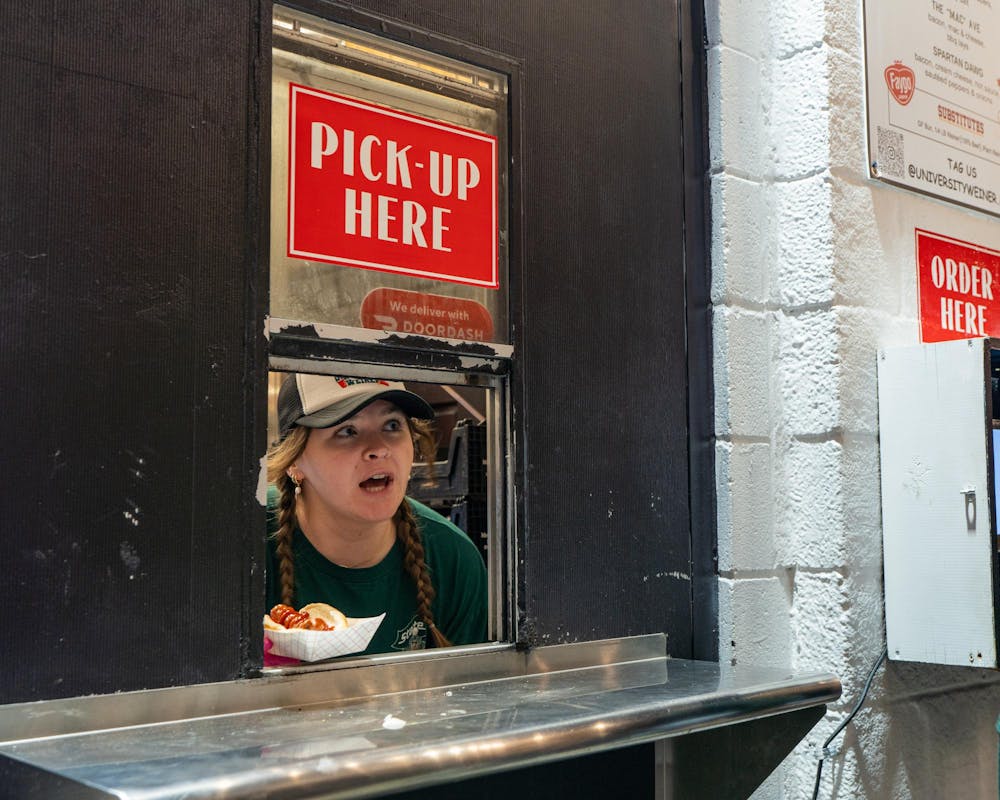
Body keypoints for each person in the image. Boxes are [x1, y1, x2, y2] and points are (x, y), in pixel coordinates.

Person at [265, 372, 488, 657]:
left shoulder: (452, 558)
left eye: (392, 425)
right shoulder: (242, 543)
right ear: (294, 461)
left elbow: (471, 696)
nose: (379, 448)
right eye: (347, 431)